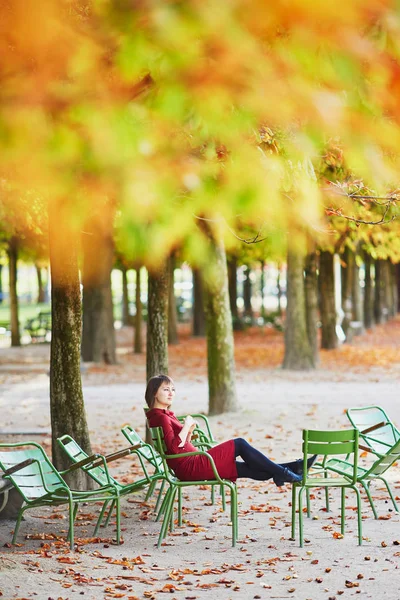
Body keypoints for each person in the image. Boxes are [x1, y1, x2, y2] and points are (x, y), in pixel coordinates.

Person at [145, 374, 317, 487]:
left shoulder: (162, 415)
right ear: (154, 393)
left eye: (173, 389)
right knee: (240, 444)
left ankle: (290, 469)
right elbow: (174, 449)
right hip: (193, 466)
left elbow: (180, 446)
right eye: (166, 389)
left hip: (193, 462)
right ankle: (287, 471)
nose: (171, 393)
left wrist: (187, 430)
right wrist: (186, 425)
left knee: (253, 470)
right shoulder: (161, 417)